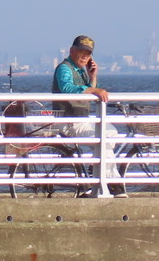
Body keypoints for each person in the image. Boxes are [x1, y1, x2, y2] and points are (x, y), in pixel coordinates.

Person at [52, 35, 124, 196]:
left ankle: (98, 171)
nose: (85, 56)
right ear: (72, 51)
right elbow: (67, 88)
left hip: (81, 119)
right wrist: (94, 90)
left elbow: (90, 90)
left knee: (111, 133)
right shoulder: (65, 68)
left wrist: (92, 77)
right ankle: (112, 183)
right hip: (69, 121)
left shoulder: (82, 71)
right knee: (104, 138)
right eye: (81, 52)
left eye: (88, 53)